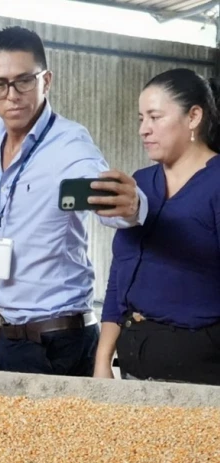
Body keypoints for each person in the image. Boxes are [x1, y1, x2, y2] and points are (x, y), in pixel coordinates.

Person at [0, 26, 148, 376]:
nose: (11, 95)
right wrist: (0, 301)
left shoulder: (70, 145)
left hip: (58, 344)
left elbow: (109, 204)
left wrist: (132, 206)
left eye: (24, 80)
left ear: (47, 80)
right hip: (9, 333)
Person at [95, 68, 220, 386]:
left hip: (201, 371)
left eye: (155, 117)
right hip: (133, 363)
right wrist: (102, 360)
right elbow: (119, 275)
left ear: (193, 117)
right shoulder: (139, 183)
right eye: (141, 119)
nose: (144, 130)